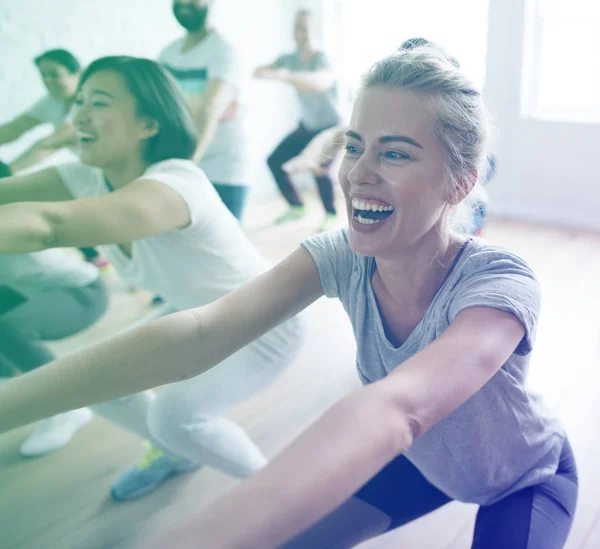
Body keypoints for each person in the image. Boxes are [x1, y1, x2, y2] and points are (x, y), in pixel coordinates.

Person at [0, 47, 576, 549]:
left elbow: (401, 408)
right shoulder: (343, 254)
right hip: (425, 462)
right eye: (355, 146)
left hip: (521, 477)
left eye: (395, 153)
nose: (358, 174)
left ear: (460, 181)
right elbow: (202, 333)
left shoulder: (498, 281)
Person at [0, 55, 303, 501]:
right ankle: (177, 454)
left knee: (176, 417)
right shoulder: (86, 176)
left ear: (148, 125)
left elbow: (50, 226)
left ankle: (288, 501)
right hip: (193, 315)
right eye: (79, 100)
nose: (78, 114)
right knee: (98, 382)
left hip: (263, 324)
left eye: (98, 102)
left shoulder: (177, 184)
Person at [0, 48, 107, 268]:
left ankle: (99, 259)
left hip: (117, 169)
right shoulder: (51, 102)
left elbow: (50, 143)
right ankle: (96, 258)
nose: (48, 81)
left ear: (77, 73)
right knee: (59, 205)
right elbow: (12, 129)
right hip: (90, 169)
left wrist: (9, 171)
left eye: (55, 74)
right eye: (44, 76)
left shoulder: (88, 101)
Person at [0, 250, 108, 456]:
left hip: (82, 290)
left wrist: (91, 253)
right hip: (26, 291)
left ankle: (68, 406)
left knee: (11, 329)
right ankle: (9, 382)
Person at [159, 0, 251, 221]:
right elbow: (160, 107)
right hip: (183, 161)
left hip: (222, 168)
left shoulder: (224, 52)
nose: (184, 3)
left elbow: (211, 108)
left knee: (226, 247)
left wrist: (187, 164)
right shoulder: (168, 54)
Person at [255, 9, 342, 231]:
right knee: (275, 161)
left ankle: (330, 214)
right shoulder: (289, 59)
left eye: (305, 28)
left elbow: (319, 83)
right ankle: (296, 206)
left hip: (331, 127)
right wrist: (264, 72)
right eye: (297, 28)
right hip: (307, 125)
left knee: (319, 167)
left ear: (315, 32)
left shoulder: (321, 59)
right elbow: (262, 70)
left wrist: (284, 75)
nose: (300, 34)